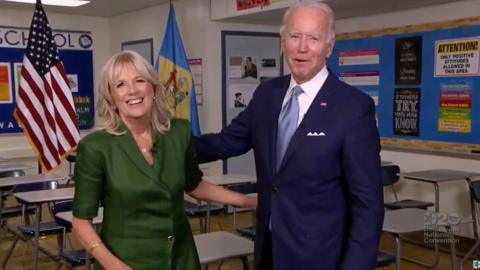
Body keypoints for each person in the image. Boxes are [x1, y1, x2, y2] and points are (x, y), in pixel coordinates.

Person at [194, 3, 383, 270]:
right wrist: (160, 142)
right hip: (268, 249)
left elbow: (367, 205)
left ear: (328, 47)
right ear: (283, 43)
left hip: (321, 258)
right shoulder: (266, 94)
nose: (302, 47)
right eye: (295, 36)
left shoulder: (353, 108)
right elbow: (227, 142)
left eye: (313, 38)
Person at [71, 50, 256, 270]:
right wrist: (114, 266)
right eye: (120, 84)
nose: (132, 90)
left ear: (154, 88)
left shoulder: (178, 132)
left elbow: (194, 185)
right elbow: (81, 222)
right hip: (125, 261)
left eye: (140, 80)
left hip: (181, 257)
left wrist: (250, 202)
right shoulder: (95, 147)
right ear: (110, 96)